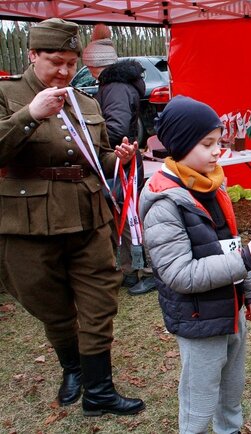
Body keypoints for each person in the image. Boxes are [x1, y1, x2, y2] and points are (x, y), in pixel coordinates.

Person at [0, 18, 144, 417]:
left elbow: (97, 158)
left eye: (70, 63)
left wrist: (119, 159)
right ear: (33, 55)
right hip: (29, 223)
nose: (64, 71)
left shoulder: (86, 102)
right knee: (52, 306)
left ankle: (100, 391)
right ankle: (74, 369)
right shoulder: (7, 94)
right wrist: (30, 114)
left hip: (88, 217)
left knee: (99, 303)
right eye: (55, 62)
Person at [139, 95, 251, 434]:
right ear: (181, 144)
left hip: (230, 308)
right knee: (199, 401)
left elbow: (227, 241)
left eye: (218, 142)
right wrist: (245, 260)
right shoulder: (164, 203)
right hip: (198, 318)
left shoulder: (211, 183)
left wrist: (248, 289)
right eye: (207, 144)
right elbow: (180, 274)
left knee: (231, 390)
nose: (218, 151)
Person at [82, 24, 156, 296]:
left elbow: (117, 128)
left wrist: (90, 137)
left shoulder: (114, 88)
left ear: (94, 65)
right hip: (121, 160)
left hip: (121, 161)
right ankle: (130, 269)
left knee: (129, 218)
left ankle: (145, 271)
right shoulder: (117, 86)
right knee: (122, 218)